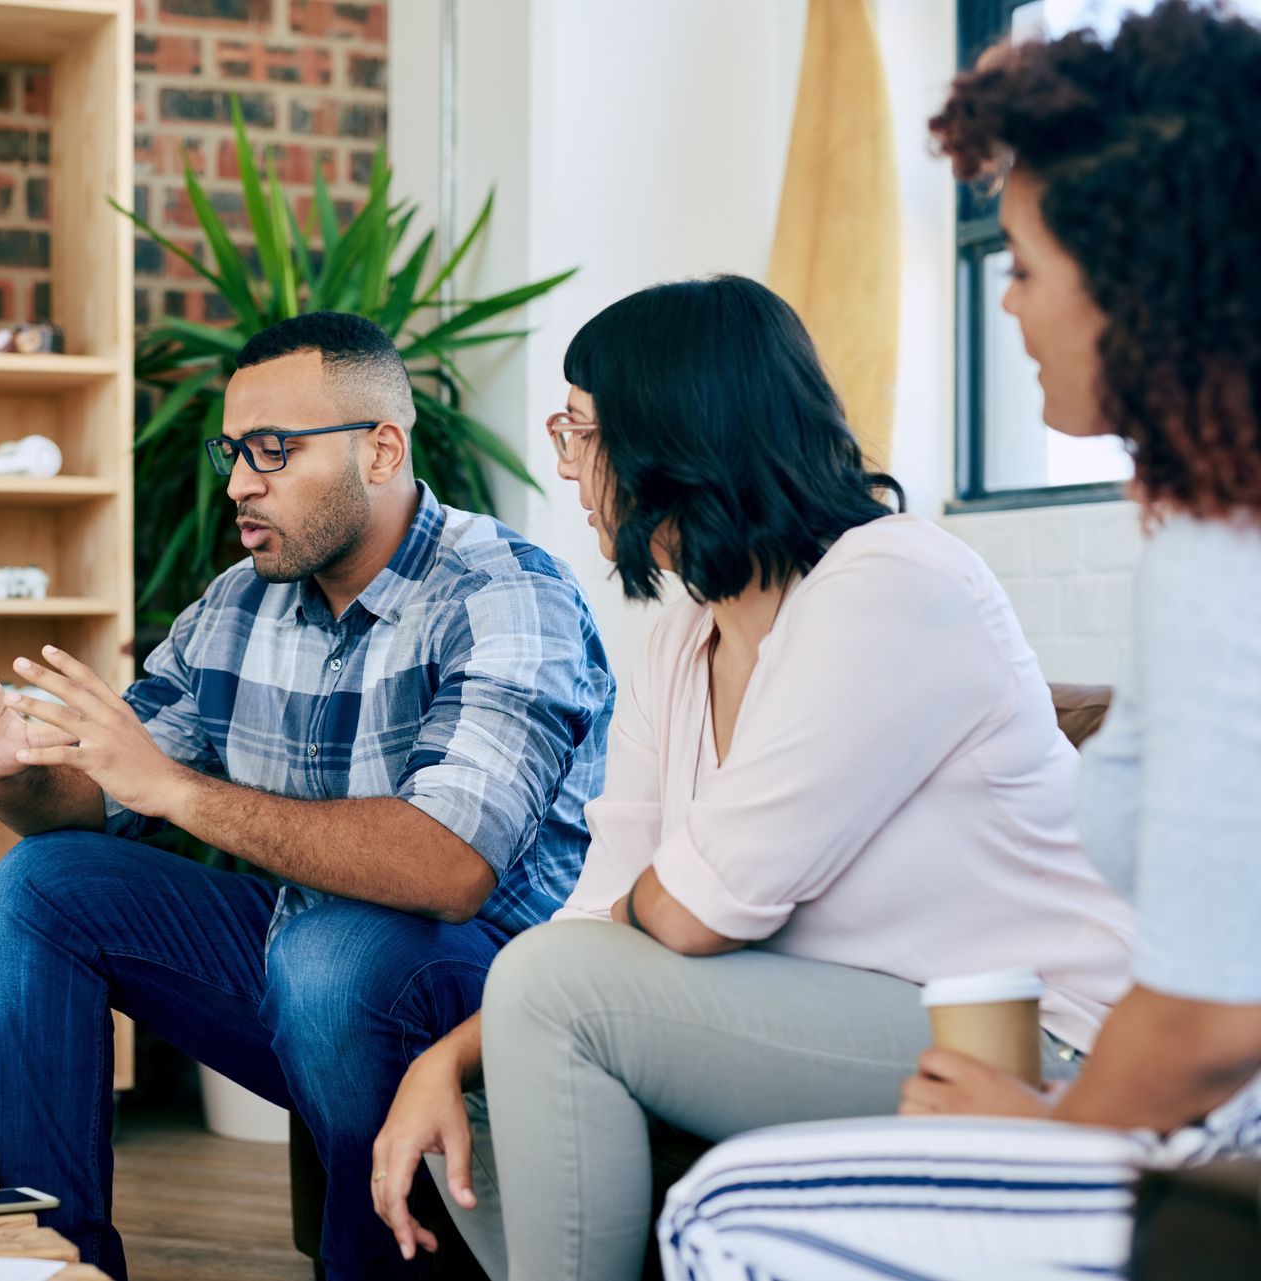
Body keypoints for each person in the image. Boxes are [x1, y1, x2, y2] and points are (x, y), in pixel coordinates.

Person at [369, 276, 1136, 1280]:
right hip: (847, 1013)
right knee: (491, 1061)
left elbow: (697, 915)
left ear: (673, 440)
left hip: (1032, 1044)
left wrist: (658, 900)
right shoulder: (684, 637)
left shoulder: (892, 582)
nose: (572, 471)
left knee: (550, 997)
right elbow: (608, 907)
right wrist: (444, 1059)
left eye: (583, 434)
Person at [657, 7, 1261, 1278]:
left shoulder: (1225, 554)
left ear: (1143, 283)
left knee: (726, 1213)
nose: (1012, 308)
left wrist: (1050, 1131)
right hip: (1199, 1104)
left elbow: (1216, 1013)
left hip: (1223, 1126)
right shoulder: (1208, 530)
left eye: (1027, 265)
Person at [0, 311, 614, 1278]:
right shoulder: (238, 604)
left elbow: (450, 866)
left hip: (489, 998)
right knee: (44, 882)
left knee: (330, 954)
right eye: (234, 450)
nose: (237, 482)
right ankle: (61, 1262)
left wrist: (177, 789)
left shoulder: (504, 592)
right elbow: (105, 794)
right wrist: (11, 776)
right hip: (311, 961)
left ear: (381, 449)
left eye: (272, 450)